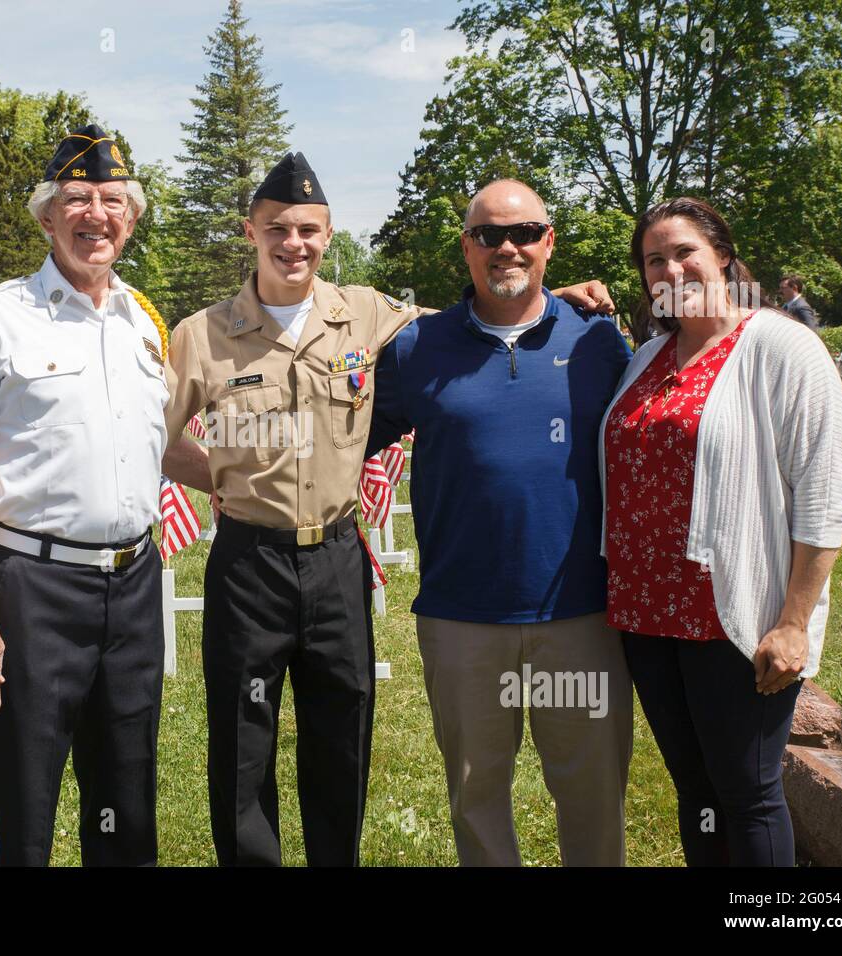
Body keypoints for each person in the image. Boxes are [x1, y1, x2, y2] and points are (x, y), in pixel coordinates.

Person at [162, 154, 614, 866]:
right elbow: (154, 438)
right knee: (243, 740)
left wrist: (563, 299)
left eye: (308, 230)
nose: (293, 243)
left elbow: (483, 312)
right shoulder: (202, 333)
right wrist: (220, 479)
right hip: (248, 562)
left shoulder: (367, 314)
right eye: (277, 228)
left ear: (329, 234)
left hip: (338, 558)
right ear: (250, 231)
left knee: (343, 736)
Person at [0, 124, 208, 867]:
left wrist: (270, 483)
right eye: (76, 198)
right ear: (46, 216)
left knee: (126, 803)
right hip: (31, 590)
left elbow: (162, 448)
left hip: (134, 587)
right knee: (22, 809)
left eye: (112, 200)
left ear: (132, 218)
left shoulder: (145, 321)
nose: (95, 214)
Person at [367, 179, 634, 866]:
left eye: (523, 234)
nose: (506, 248)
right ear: (466, 247)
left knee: (593, 796)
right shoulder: (414, 349)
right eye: (489, 235)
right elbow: (342, 439)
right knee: (476, 798)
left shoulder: (602, 342)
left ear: (549, 242)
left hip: (581, 615)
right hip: (461, 620)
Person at [601, 197, 842, 866]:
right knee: (698, 791)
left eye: (684, 251)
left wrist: (795, 622)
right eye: (654, 259)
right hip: (648, 614)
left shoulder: (779, 345)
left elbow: (824, 495)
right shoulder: (648, 355)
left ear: (721, 255)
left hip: (730, 617)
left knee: (746, 792)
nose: (670, 267)